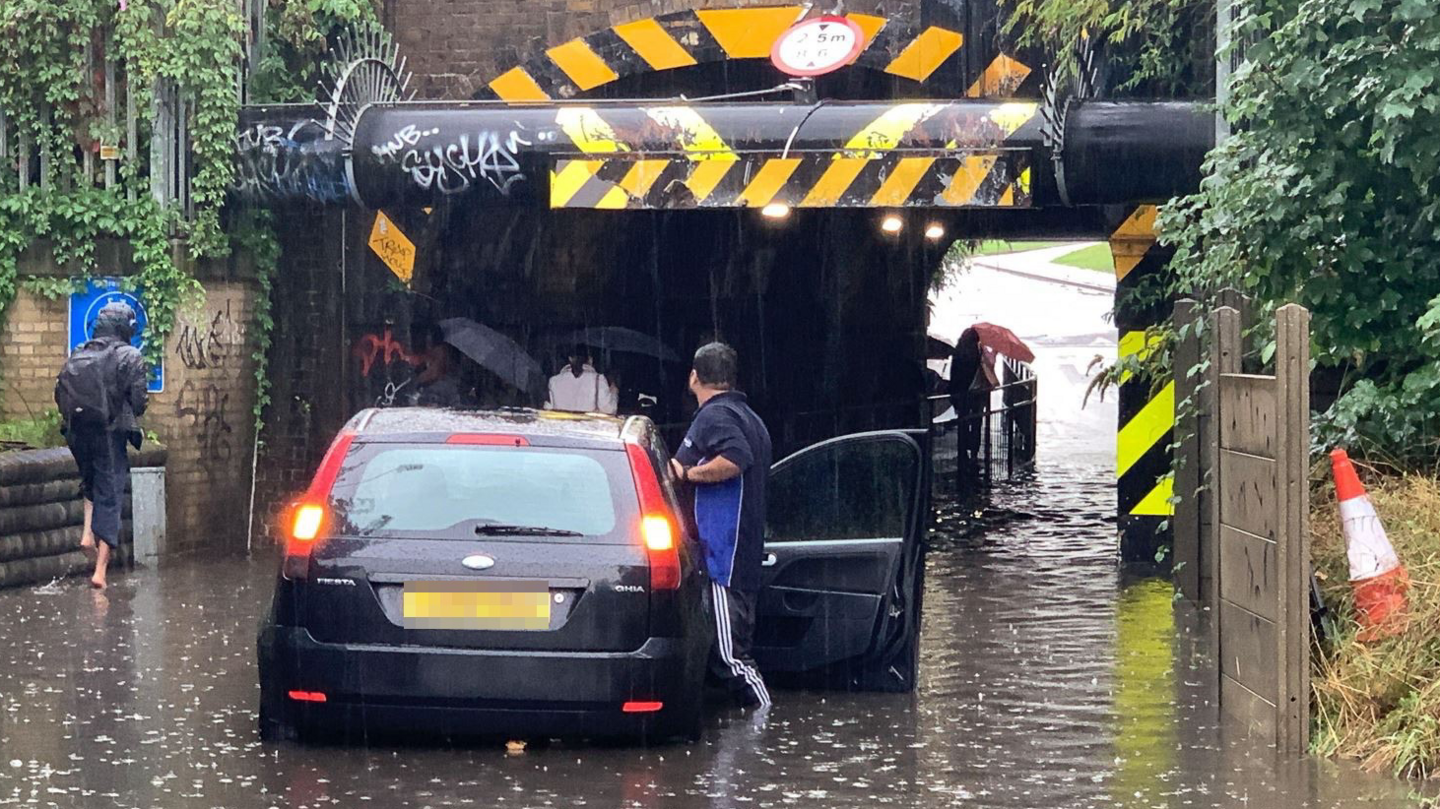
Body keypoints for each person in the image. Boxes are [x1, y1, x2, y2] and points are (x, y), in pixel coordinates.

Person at [669, 342, 773, 709]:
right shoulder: (747, 416)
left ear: (694, 377)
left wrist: (688, 474)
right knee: (719, 654)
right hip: (733, 553)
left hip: (725, 557)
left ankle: (766, 727)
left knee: (732, 658)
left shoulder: (715, 418)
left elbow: (736, 457)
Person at [55, 302, 149, 590]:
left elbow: (60, 393)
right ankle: (100, 572)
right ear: (125, 327)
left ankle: (86, 534)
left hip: (77, 432)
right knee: (110, 493)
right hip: (109, 432)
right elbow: (139, 402)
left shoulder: (80, 353)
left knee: (90, 482)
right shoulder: (130, 356)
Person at [409, 324, 469, 408]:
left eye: (429, 335)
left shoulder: (440, 351)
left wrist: (417, 380)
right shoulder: (437, 351)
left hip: (442, 386)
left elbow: (435, 371)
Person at [545, 347, 618, 415]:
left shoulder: (554, 381)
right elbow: (609, 410)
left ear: (570, 359)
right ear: (590, 360)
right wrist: (614, 391)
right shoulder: (598, 380)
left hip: (560, 427)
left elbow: (548, 408)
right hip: (587, 427)